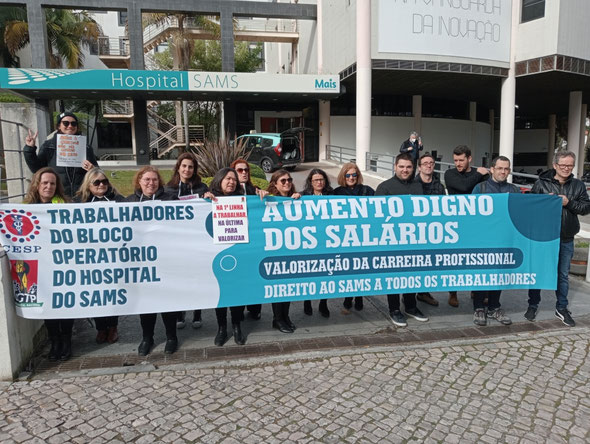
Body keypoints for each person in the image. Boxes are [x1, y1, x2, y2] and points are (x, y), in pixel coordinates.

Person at [524, 151, 590, 327]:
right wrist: (545, 202)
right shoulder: (541, 183)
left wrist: (569, 203)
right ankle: (532, 305)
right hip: (543, 238)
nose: (567, 168)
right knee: (538, 272)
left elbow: (586, 208)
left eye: (570, 165)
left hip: (566, 237)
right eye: (563, 165)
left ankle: (561, 307)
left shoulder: (578, 185)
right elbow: (530, 207)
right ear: (555, 165)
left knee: (563, 275)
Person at [126, 166, 179, 355]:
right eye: (147, 179)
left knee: (167, 300)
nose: (151, 183)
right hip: (142, 261)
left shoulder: (170, 199)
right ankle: (147, 337)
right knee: (146, 302)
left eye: (154, 179)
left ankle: (171, 336)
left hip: (166, 259)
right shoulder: (129, 202)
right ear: (139, 181)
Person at [24, 167, 73, 361]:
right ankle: (55, 341)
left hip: (63, 264)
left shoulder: (66, 206)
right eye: (45, 183)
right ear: (37, 185)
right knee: (49, 304)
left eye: (52, 183)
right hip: (41, 267)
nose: (48, 186)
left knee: (66, 304)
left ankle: (67, 341)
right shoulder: (26, 208)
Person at [375, 153, 429, 327]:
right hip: (392, 242)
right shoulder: (384, 187)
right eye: (401, 166)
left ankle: (411, 307)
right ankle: (394, 309)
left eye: (408, 167)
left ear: (413, 168)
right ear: (395, 167)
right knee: (394, 277)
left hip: (413, 241)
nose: (405, 170)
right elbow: (377, 217)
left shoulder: (418, 186)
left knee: (412, 275)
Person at [75, 168, 125, 344]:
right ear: (88, 184)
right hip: (90, 256)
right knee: (95, 293)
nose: (101, 185)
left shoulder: (118, 200)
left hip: (113, 255)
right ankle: (101, 328)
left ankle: (113, 327)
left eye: (104, 181)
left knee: (112, 292)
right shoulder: (78, 202)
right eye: (97, 182)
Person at [471, 156, 519, 326]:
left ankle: (494, 307)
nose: (503, 172)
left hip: (504, 240)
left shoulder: (514, 190)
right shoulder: (480, 188)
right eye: (499, 168)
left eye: (506, 169)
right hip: (483, 240)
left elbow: (521, 213)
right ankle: (478, 307)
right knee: (482, 274)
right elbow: (471, 213)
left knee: (499, 274)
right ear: (492, 169)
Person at [203, 168, 247, 345]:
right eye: (228, 179)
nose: (231, 182)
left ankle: (237, 326)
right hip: (217, 253)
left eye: (234, 179)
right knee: (219, 292)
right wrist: (204, 200)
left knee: (237, 292)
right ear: (219, 180)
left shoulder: (244, 199)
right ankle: (222, 328)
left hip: (238, 252)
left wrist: (261, 195)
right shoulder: (209, 198)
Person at [165, 153, 208, 330]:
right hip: (176, 243)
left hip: (197, 240)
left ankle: (197, 312)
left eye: (190, 167)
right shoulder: (168, 189)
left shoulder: (202, 187)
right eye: (184, 166)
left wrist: (209, 198)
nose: (187, 170)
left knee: (197, 278)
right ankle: (180, 313)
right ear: (178, 167)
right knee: (179, 279)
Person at [443, 145, 488, 308]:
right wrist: (478, 174)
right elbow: (463, 187)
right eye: (455, 160)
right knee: (454, 260)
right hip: (455, 223)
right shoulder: (450, 174)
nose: (458, 163)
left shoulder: (480, 175)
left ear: (469, 159)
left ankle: (476, 290)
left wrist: (479, 174)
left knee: (476, 258)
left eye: (461, 160)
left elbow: (486, 192)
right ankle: (453, 293)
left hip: (476, 223)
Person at [23, 112, 99, 197]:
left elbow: (97, 171)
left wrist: (93, 169)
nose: (70, 126)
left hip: (81, 195)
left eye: (73, 124)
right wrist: (29, 149)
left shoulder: (86, 147)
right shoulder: (49, 146)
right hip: (57, 195)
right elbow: (37, 169)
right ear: (59, 126)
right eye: (66, 123)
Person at [230, 158, 268, 321]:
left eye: (246, 170)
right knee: (239, 278)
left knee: (255, 276)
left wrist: (265, 195)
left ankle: (254, 308)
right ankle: (238, 311)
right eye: (240, 170)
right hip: (235, 242)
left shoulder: (255, 190)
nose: (244, 172)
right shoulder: (228, 192)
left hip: (255, 241)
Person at [333, 162, 374, 313]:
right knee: (348, 271)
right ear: (343, 176)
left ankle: (359, 297)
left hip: (363, 237)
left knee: (361, 270)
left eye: (354, 175)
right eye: (348, 175)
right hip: (345, 238)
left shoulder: (367, 191)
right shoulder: (336, 193)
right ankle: (348, 298)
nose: (351, 178)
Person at [266, 169, 302, 333]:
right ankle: (277, 319)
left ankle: (285, 316)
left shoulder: (295, 199)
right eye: (283, 181)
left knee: (288, 287)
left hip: (291, 249)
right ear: (275, 184)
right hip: (274, 250)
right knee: (278, 287)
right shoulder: (268, 200)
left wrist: (299, 199)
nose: (287, 183)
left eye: (289, 180)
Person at [414, 153, 446, 307]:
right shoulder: (412, 185)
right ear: (419, 167)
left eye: (431, 163)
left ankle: (423, 292)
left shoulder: (439, 186)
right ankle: (409, 294)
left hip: (432, 231)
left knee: (428, 264)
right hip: (414, 231)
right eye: (425, 163)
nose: (429, 165)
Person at [301, 168, 333, 318]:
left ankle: (323, 303)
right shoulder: (302, 196)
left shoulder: (333, 196)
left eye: (321, 179)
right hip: (309, 242)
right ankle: (307, 301)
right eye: (316, 180)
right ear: (311, 182)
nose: (319, 182)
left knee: (325, 274)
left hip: (327, 241)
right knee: (309, 274)